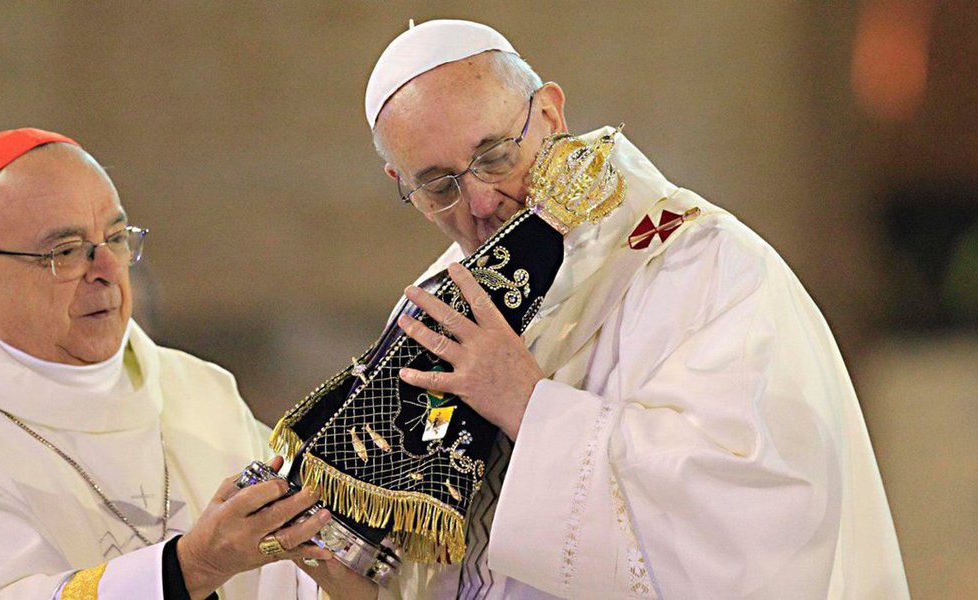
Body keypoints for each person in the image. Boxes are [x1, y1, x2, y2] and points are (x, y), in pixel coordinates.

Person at [322, 19, 909, 599]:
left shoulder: (707, 266)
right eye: (439, 184)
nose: (480, 201)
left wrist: (529, 405)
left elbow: (758, 523)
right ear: (402, 184)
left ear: (550, 114)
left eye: (495, 155)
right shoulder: (434, 309)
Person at [0, 128, 336, 599]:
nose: (106, 268)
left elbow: (292, 574)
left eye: (116, 239)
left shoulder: (198, 392)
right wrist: (188, 568)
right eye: (65, 251)